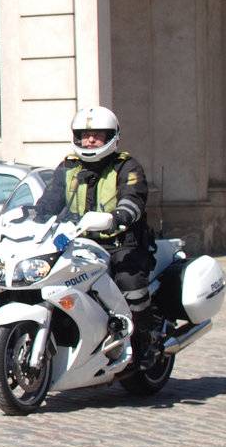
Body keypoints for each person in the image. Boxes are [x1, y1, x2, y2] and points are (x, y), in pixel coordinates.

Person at [31, 105, 159, 364]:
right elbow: (51, 200)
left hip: (121, 243)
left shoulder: (127, 166)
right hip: (79, 243)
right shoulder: (69, 167)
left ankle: (147, 342)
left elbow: (133, 198)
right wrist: (34, 215)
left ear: (112, 136)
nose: (90, 140)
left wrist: (119, 216)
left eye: (98, 135)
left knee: (129, 284)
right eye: (84, 134)